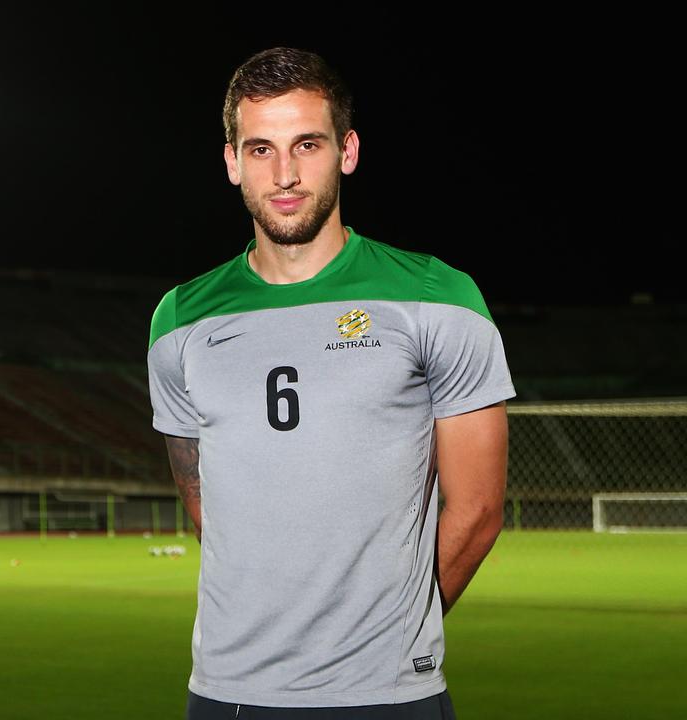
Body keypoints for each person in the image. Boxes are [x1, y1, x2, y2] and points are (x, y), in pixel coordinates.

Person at [146, 47, 514, 719]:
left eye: (306, 144)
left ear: (347, 151)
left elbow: (479, 510)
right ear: (231, 162)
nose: (284, 174)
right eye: (260, 149)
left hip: (388, 695)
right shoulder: (178, 321)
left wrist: (387, 635)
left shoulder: (440, 299)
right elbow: (201, 498)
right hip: (227, 692)